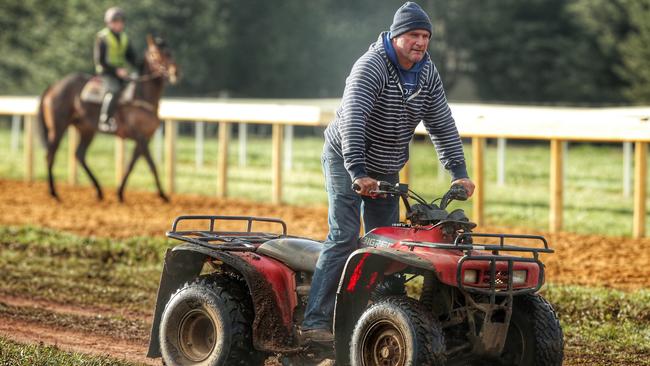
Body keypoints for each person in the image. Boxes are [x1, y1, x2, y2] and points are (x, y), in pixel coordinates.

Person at [299, 1, 476, 344]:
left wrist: (458, 171)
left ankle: (377, 319)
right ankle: (314, 321)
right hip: (347, 159)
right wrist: (358, 172)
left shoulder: (426, 72)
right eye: (413, 35)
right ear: (396, 36)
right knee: (346, 234)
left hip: (386, 166)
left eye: (426, 36)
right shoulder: (371, 67)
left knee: (389, 242)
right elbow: (353, 120)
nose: (421, 42)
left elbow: (441, 123)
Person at [93, 7, 137, 132]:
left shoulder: (124, 38)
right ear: (108, 22)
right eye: (116, 21)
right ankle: (105, 120)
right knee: (114, 90)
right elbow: (100, 60)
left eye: (121, 21)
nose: (119, 24)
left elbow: (132, 58)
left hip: (121, 73)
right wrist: (117, 71)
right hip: (106, 72)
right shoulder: (102, 37)